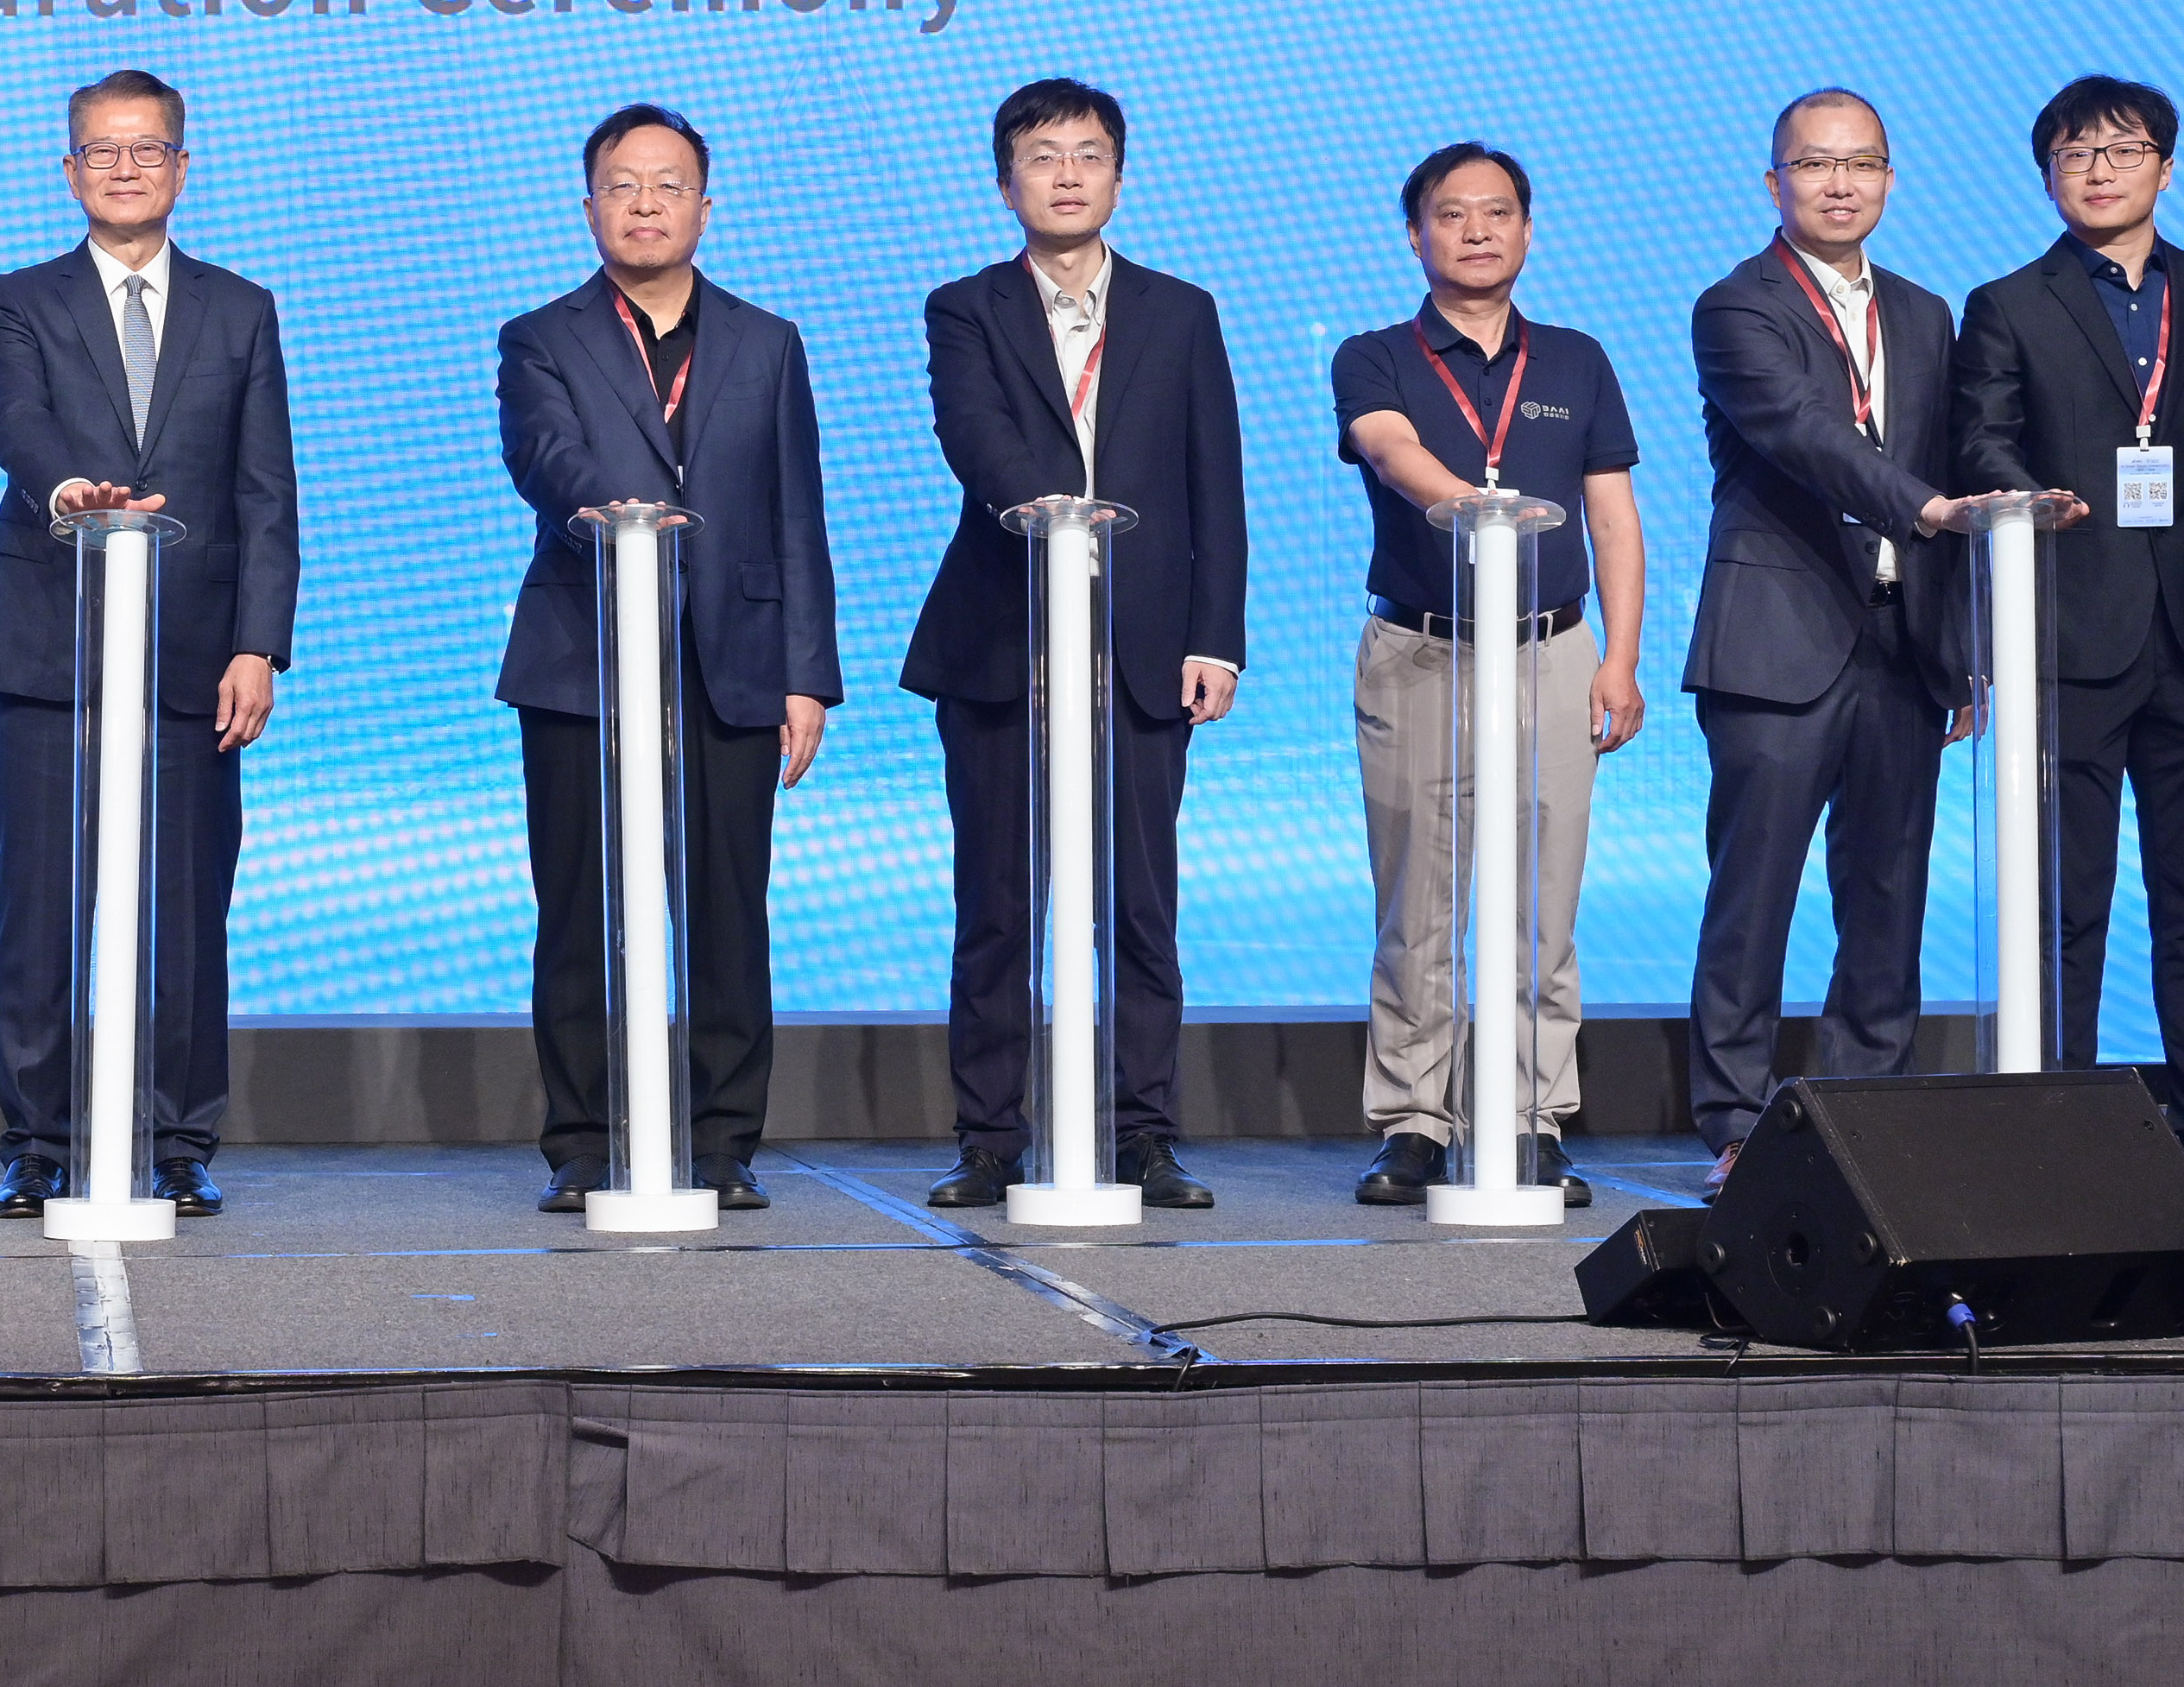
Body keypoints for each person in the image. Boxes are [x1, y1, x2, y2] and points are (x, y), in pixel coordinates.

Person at [0, 68, 300, 1222]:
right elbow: (16, 421)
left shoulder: (241, 308)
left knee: (187, 911)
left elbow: (265, 489)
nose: (124, 168)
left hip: (196, 655)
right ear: (69, 171)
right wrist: (69, 490)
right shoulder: (17, 298)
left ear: (182, 168)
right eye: (101, 151)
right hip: (46, 646)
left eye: (146, 149)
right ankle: (37, 1143)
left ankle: (179, 1140)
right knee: (41, 909)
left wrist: (258, 645)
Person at [906, 78, 1248, 1210]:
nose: (1066, 174)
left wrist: (1216, 638)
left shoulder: (1180, 310)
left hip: (1143, 648)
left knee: (1139, 906)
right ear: (1004, 181)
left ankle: (1142, 1134)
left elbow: (1215, 483)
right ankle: (989, 1139)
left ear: (1118, 175)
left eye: (1087, 154)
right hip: (1002, 639)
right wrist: (1057, 518)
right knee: (998, 906)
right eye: (1042, 156)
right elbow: (975, 438)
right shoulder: (964, 308)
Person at [495, 103, 837, 1214]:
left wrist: (806, 674)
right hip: (581, 660)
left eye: (667, 185)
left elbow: (797, 511)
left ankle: (723, 1139)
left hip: (732, 658)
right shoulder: (539, 337)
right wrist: (618, 514)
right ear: (589, 204)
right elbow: (544, 459)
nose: (645, 204)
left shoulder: (767, 341)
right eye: (623, 185)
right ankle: (584, 1144)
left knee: (728, 911)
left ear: (704, 204)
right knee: (579, 910)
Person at [1954, 74, 2184, 1179]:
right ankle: (2068, 1113)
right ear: (2047, 175)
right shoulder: (2008, 303)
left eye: (2124, 150)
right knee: (2066, 902)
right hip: (2069, 634)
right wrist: (2027, 495)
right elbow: (1979, 439)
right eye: (2076, 154)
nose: (2100, 171)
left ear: (2166, 169)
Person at [1680, 88, 1987, 1190]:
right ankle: (1734, 1123)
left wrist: (1965, 649)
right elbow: (1805, 435)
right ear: (1776, 183)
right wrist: (1929, 510)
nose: (1839, 183)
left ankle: (1868, 1119)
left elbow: (1953, 461)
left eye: (1860, 164)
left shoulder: (1926, 312)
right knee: (1753, 893)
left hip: (1905, 645)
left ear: (1890, 179)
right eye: (1815, 164)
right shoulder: (1738, 306)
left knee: (1889, 895)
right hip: (1777, 639)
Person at [1330, 143, 1645, 1209]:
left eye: (1498, 212)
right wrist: (1475, 506)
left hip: (1553, 649)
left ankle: (1531, 1115)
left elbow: (1613, 518)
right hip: (1421, 649)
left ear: (1528, 229)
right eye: (1453, 214)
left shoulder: (1577, 360)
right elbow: (1389, 451)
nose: (1477, 231)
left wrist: (1620, 658)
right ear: (1415, 233)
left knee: (1543, 905)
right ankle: (1414, 1120)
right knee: (1417, 902)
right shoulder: (1375, 355)